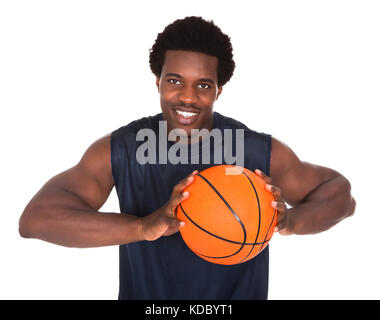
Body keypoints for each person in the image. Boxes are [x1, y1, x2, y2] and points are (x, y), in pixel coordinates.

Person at [19, 16, 356, 300]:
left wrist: (289, 222)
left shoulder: (256, 151)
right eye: (175, 81)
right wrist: (144, 226)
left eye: (204, 85)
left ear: (218, 90)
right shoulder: (120, 149)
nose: (187, 97)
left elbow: (339, 192)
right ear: (158, 82)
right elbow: (36, 220)